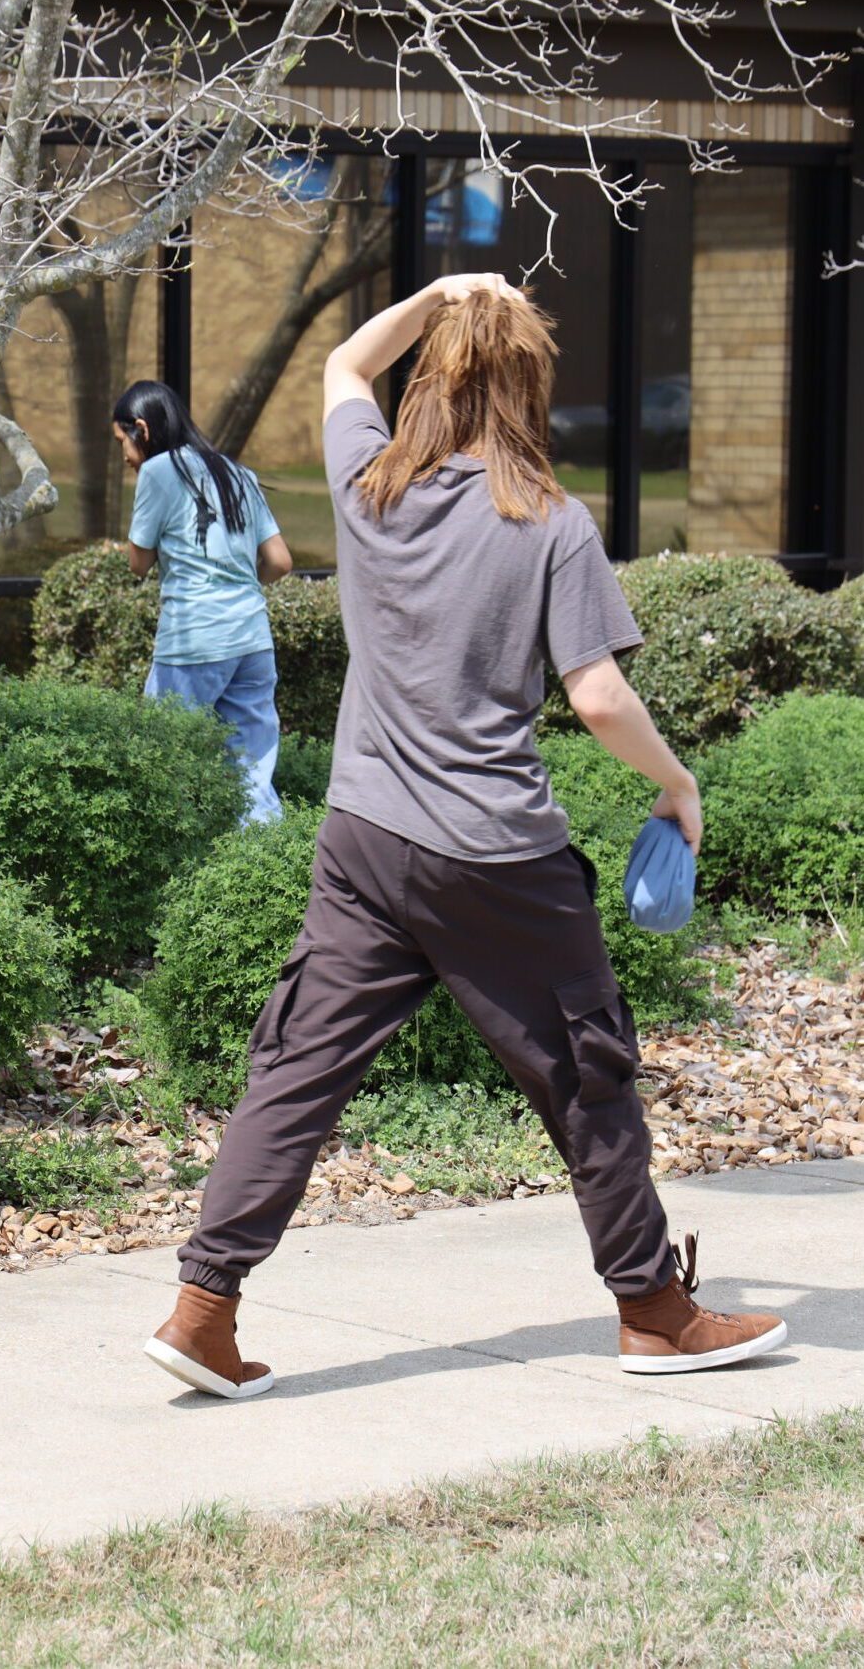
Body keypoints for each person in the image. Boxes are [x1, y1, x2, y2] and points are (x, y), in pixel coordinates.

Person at [144, 274, 787, 1400]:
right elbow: (597, 697)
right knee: (587, 1075)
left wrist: (439, 292)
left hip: (364, 838)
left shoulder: (367, 484)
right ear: (531, 390)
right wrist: (677, 783)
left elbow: (343, 365)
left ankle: (203, 1311)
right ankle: (654, 1312)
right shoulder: (550, 523)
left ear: (426, 384)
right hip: (496, 857)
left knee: (297, 1069)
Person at [113, 380, 295, 826]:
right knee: (251, 772)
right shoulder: (237, 472)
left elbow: (139, 563)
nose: (123, 456)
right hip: (252, 639)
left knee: (162, 759)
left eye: (121, 442)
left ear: (142, 429)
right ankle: (270, 861)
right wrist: (239, 587)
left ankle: (172, 860)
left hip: (193, 639)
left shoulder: (158, 471)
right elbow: (280, 561)